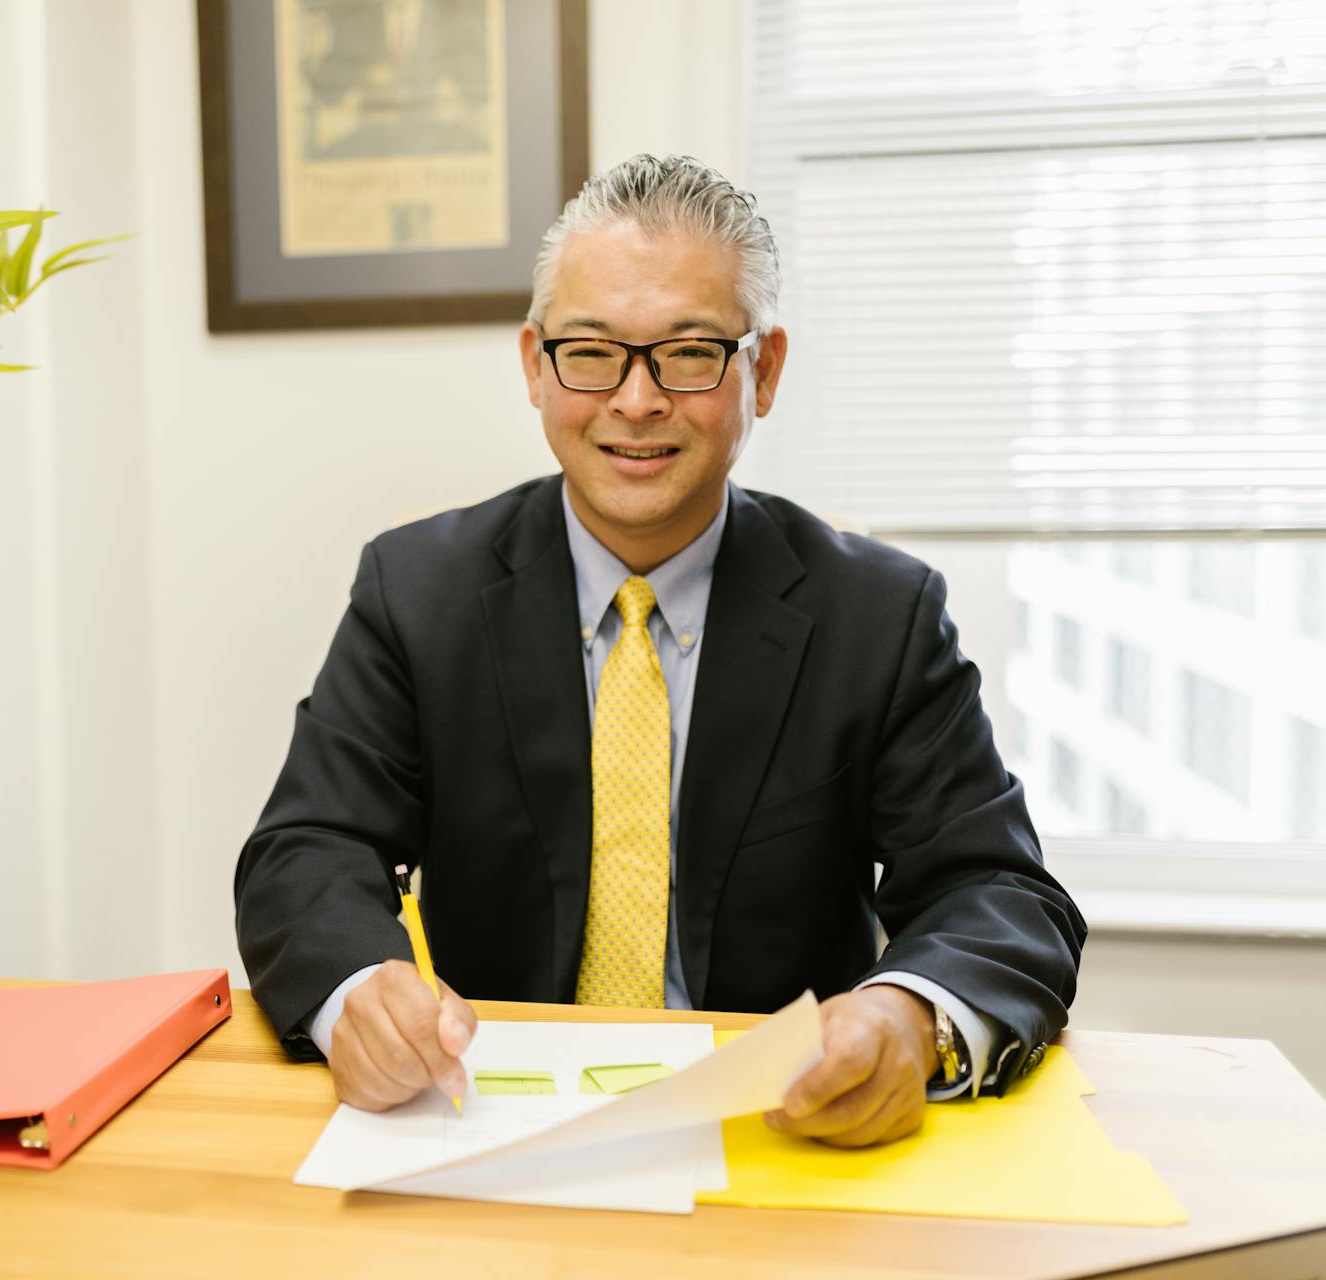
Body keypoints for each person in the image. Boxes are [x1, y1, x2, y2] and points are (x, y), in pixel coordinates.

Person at [234, 154, 1085, 1148]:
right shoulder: (419, 592)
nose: (635, 401)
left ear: (761, 371)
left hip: (779, 1128)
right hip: (490, 1126)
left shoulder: (877, 615)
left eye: (688, 353)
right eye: (590, 352)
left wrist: (910, 1013)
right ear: (534, 365)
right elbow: (308, 848)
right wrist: (356, 990)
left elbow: (998, 889)